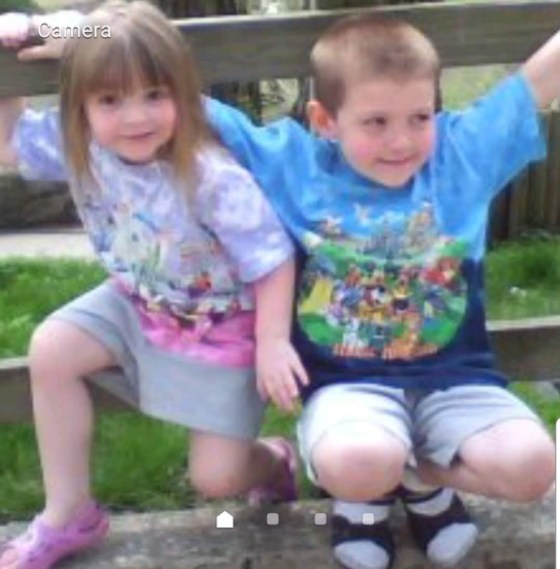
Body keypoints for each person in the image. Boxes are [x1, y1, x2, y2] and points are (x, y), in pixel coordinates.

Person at [204, 13, 557, 569]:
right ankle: (364, 494)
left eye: (420, 116)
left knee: (533, 467)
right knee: (359, 460)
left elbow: (539, 78)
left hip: (456, 381)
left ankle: (417, 479)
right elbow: (182, 103)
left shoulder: (461, 156)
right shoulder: (296, 164)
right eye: (375, 122)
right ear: (324, 120)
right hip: (348, 386)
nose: (401, 140)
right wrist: (77, 34)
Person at [0, 3, 308, 569]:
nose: (135, 117)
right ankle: (69, 513)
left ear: (182, 93)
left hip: (220, 329)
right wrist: (42, 31)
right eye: (110, 100)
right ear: (81, 106)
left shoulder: (211, 174)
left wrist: (271, 341)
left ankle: (274, 460)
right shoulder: (81, 145)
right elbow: (7, 140)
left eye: (154, 94)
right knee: (51, 348)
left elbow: (270, 257)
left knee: (216, 480)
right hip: (137, 301)